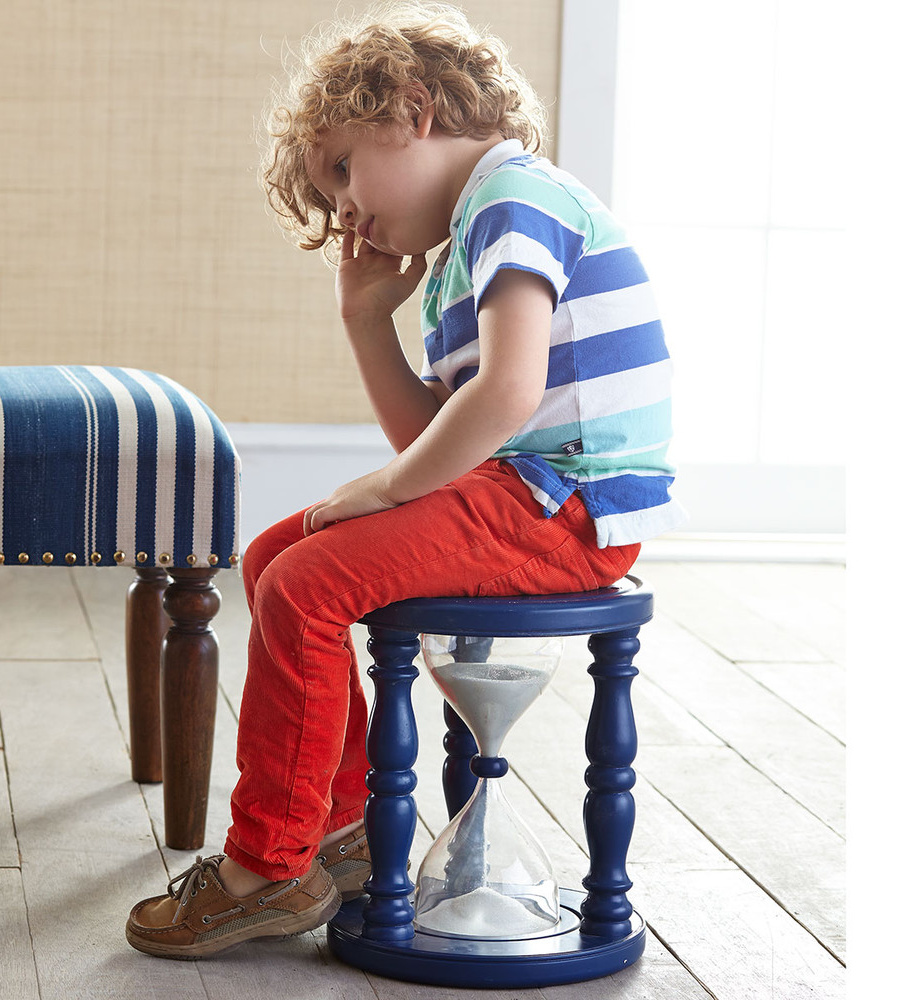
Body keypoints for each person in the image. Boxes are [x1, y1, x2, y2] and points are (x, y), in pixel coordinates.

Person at [126, 0, 685, 959]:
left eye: (343, 168)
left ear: (413, 110)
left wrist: (382, 491)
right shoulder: (471, 246)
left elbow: (504, 397)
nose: (344, 207)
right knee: (276, 554)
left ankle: (265, 861)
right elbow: (438, 437)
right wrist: (365, 321)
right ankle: (337, 830)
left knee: (304, 579)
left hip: (567, 506)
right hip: (521, 493)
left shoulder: (516, 197)